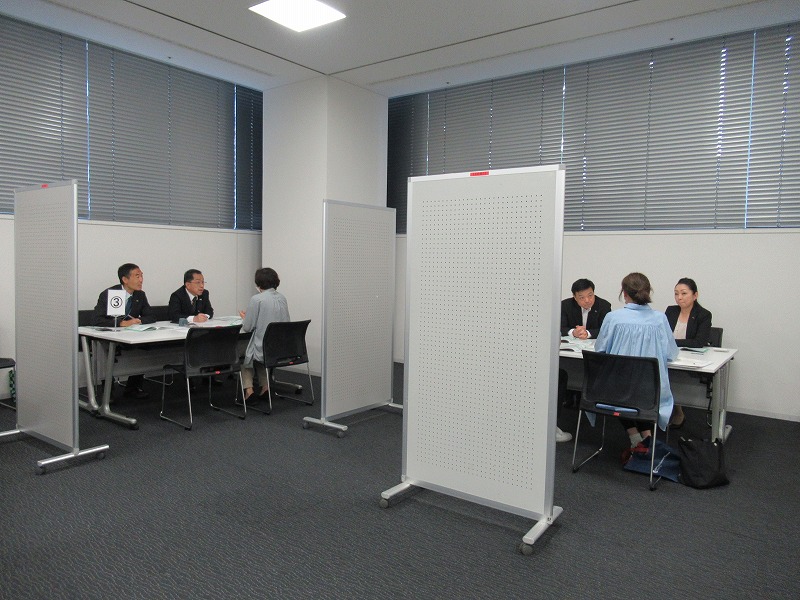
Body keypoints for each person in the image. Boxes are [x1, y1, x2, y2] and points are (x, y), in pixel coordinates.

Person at [594, 272, 678, 451]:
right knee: (639, 393)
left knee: (622, 391)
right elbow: (671, 354)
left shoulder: (613, 318)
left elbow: (600, 349)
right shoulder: (660, 319)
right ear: (648, 292)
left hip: (617, 389)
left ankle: (634, 436)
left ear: (624, 293)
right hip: (650, 391)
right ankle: (647, 439)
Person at [92, 263, 156, 399]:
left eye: (142, 276)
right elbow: (97, 319)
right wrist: (121, 323)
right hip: (109, 337)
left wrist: (138, 320)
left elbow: (151, 316)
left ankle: (132, 388)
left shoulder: (140, 295)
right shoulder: (109, 294)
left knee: (143, 349)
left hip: (130, 336)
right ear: (125, 279)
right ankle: (107, 393)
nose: (141, 280)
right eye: (137, 276)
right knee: (106, 351)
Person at [664, 277, 712, 428]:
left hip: (690, 359)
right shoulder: (671, 311)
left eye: (684, 293)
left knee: (674, 378)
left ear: (695, 295)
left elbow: (698, 342)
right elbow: (663, 335)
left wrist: (672, 342)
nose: (679, 297)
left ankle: (677, 410)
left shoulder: (703, 315)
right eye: (676, 293)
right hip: (670, 357)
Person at [239, 268, 290, 403]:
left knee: (244, 353)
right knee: (258, 351)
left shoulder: (257, 299)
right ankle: (265, 387)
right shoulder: (282, 298)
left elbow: (247, 327)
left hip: (263, 349)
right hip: (280, 348)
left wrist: (245, 318)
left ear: (258, 283)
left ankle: (249, 391)